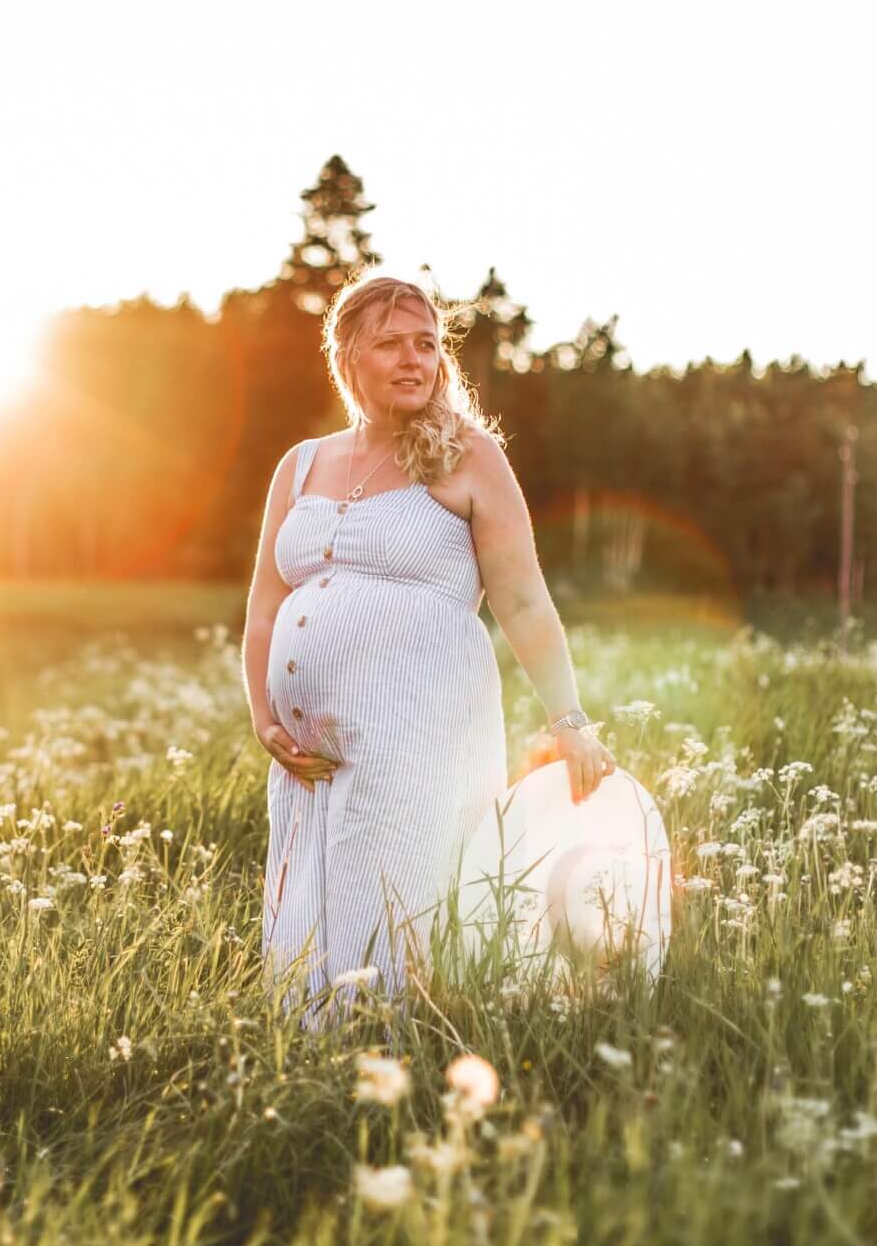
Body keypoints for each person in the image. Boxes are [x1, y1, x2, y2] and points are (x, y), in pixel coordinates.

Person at [242, 269, 615, 1029]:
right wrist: (263, 715)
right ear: (347, 357)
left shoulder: (470, 457)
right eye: (391, 344)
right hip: (307, 755)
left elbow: (523, 599)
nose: (416, 360)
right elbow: (263, 607)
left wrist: (569, 718)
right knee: (310, 896)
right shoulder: (300, 464)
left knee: (396, 889)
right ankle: (306, 1063)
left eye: (427, 344)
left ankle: (394, 1052)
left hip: (419, 733)